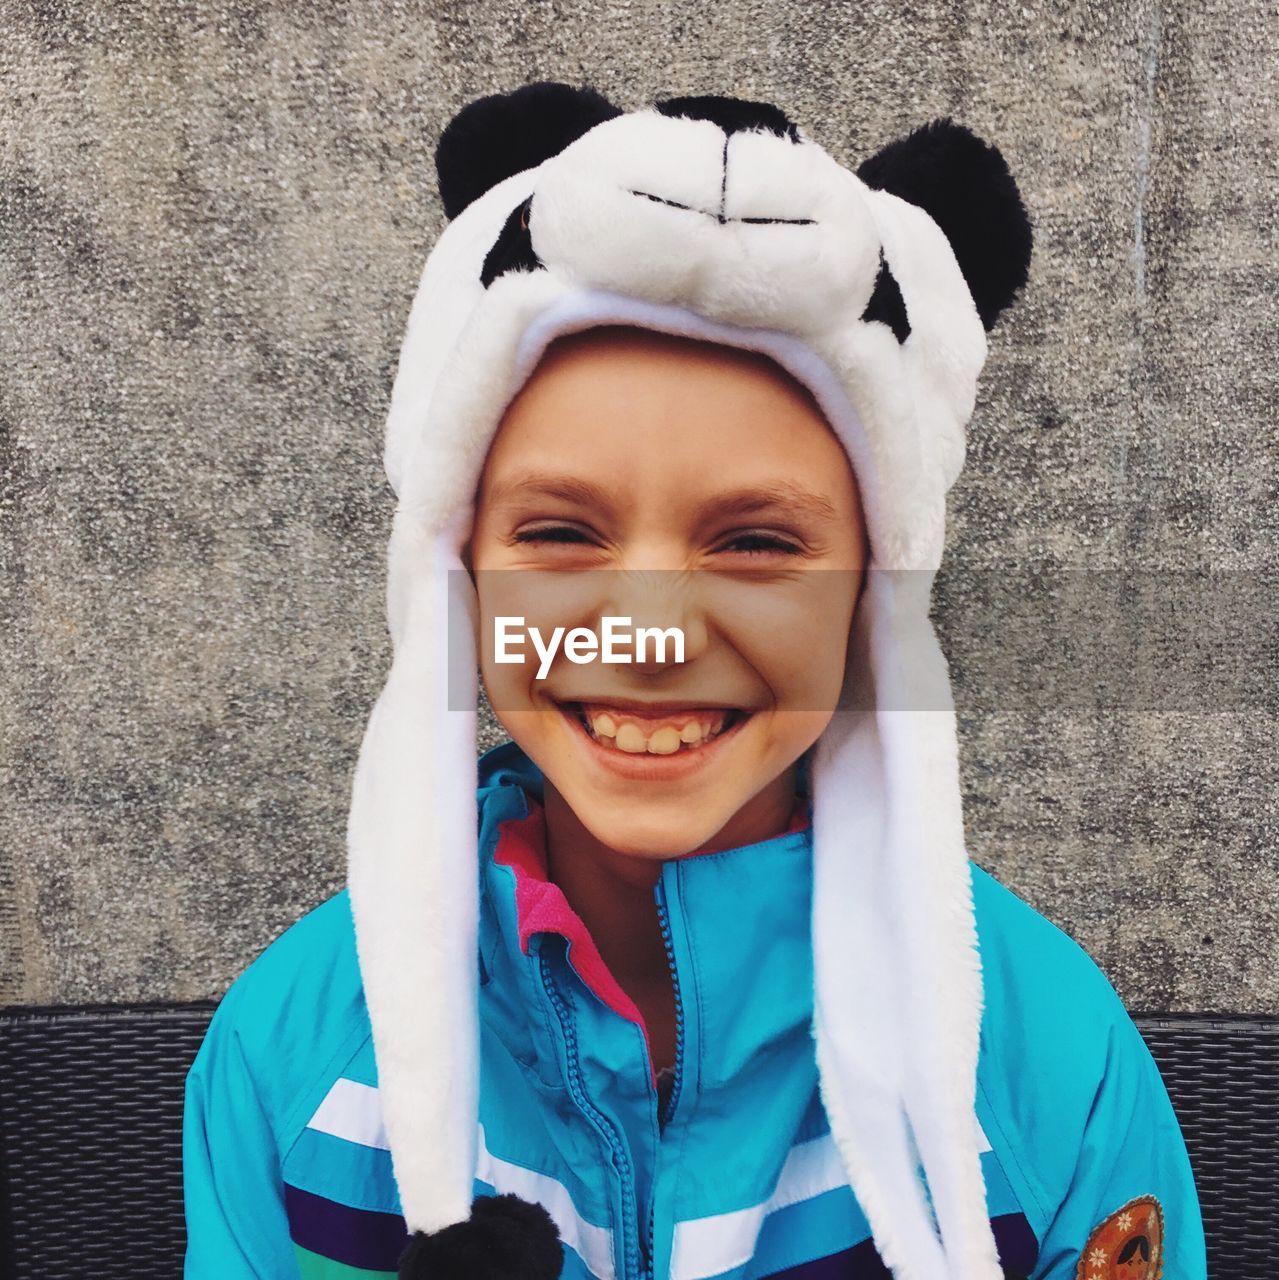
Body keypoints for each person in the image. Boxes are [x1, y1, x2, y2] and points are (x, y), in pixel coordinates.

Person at [183, 83, 1205, 1280]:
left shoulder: (1041, 1061)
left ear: (872, 599)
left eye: (759, 542)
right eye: (560, 532)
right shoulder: (289, 1049)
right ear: (456, 571)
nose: (652, 632)